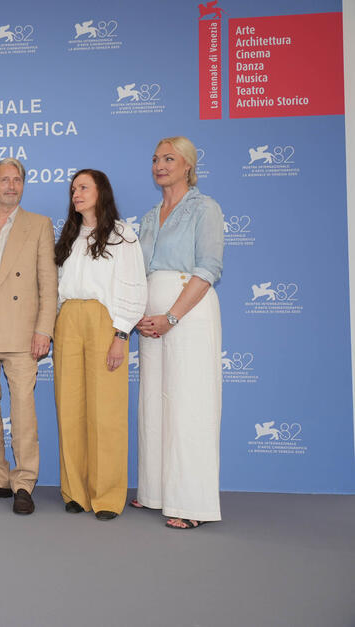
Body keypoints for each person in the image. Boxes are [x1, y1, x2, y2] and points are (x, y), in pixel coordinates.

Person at [133, 136, 224, 530]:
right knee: (153, 404)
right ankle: (155, 492)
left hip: (188, 313)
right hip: (151, 319)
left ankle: (192, 503)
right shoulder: (150, 216)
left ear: (188, 165)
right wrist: (140, 314)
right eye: (156, 159)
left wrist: (171, 316)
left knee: (189, 405)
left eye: (169, 158)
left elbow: (209, 268)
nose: (160, 165)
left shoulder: (205, 208)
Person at [0, 157, 58, 515]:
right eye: (4, 180)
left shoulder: (39, 224)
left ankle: (23, 483)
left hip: (21, 329)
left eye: (17, 180)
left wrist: (44, 329)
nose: (11, 186)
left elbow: (48, 283)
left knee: (22, 410)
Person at [52, 170, 147, 520]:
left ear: (101, 192)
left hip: (105, 321)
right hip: (68, 318)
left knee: (106, 411)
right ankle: (74, 491)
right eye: (73, 189)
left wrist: (121, 335)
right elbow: (56, 284)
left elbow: (134, 286)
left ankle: (106, 496)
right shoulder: (69, 235)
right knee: (69, 408)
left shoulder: (122, 236)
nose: (76, 194)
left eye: (84, 187)